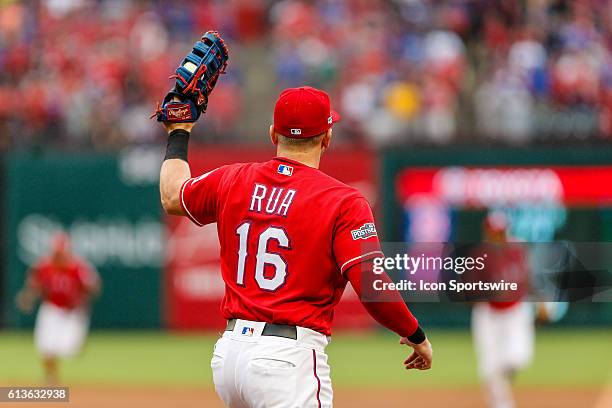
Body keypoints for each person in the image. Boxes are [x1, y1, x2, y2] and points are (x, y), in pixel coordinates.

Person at [158, 86, 433, 407]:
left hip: (229, 355)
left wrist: (179, 132)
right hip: (288, 359)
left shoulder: (234, 179)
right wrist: (415, 335)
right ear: (327, 137)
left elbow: (171, 195)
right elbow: (372, 284)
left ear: (273, 134)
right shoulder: (343, 201)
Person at [15, 232, 101, 384]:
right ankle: (51, 379)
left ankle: (77, 344)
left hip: (72, 312)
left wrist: (85, 299)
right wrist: (26, 298)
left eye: (61, 252)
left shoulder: (78, 267)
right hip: (51, 309)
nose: (58, 256)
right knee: (45, 346)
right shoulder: (44, 266)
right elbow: (34, 285)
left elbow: (94, 287)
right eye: (56, 252)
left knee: (69, 350)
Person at [471, 211, 533, 408]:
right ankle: (501, 403)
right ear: (487, 233)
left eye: (501, 233)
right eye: (494, 233)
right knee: (490, 365)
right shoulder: (480, 255)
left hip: (516, 311)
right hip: (488, 314)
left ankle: (502, 382)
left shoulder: (517, 249)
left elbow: (527, 279)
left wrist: (538, 301)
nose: (498, 237)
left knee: (518, 357)